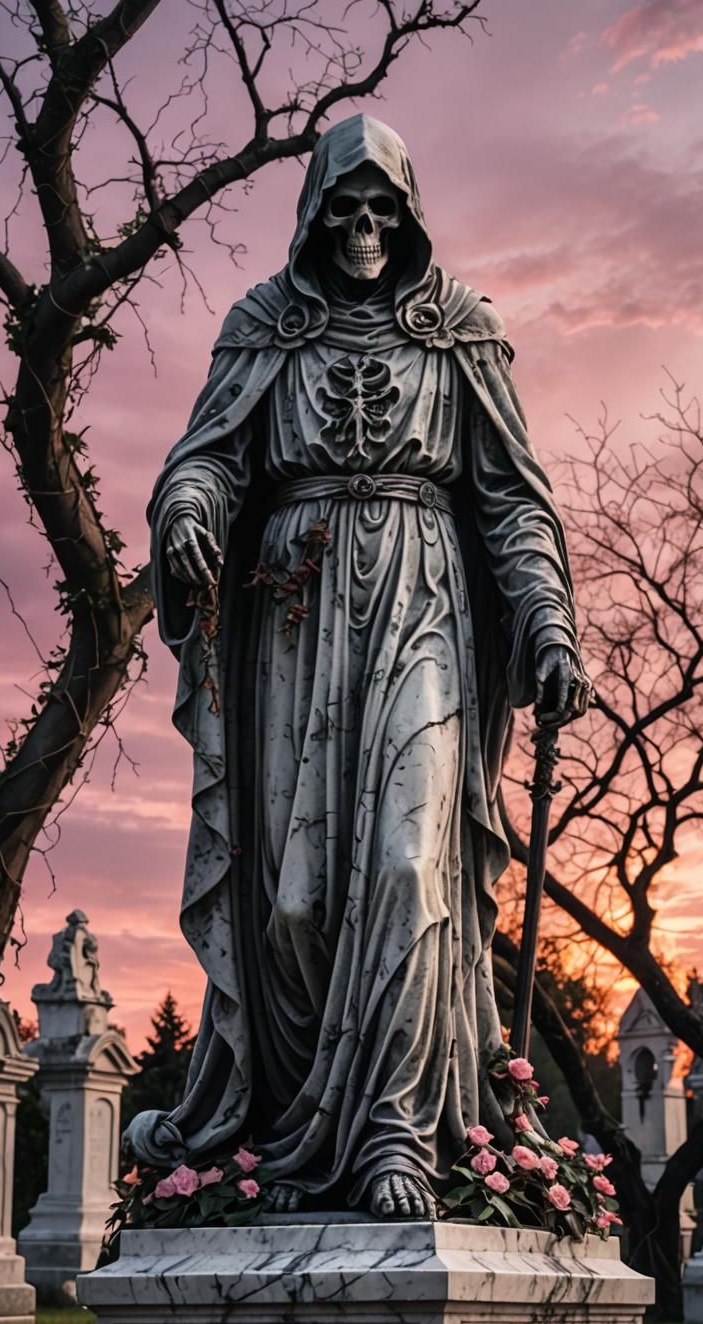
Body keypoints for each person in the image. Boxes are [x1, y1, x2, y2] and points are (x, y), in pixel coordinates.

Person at [127, 114, 590, 1219]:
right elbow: (206, 461)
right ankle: (292, 1133)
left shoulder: (462, 330)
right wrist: (188, 512)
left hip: (423, 604)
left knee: (407, 864)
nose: (365, 229)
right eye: (345, 209)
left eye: (384, 209)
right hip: (292, 622)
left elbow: (512, 499)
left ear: (412, 214)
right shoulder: (265, 326)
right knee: (292, 905)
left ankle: (394, 1132)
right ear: (314, 215)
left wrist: (547, 620)